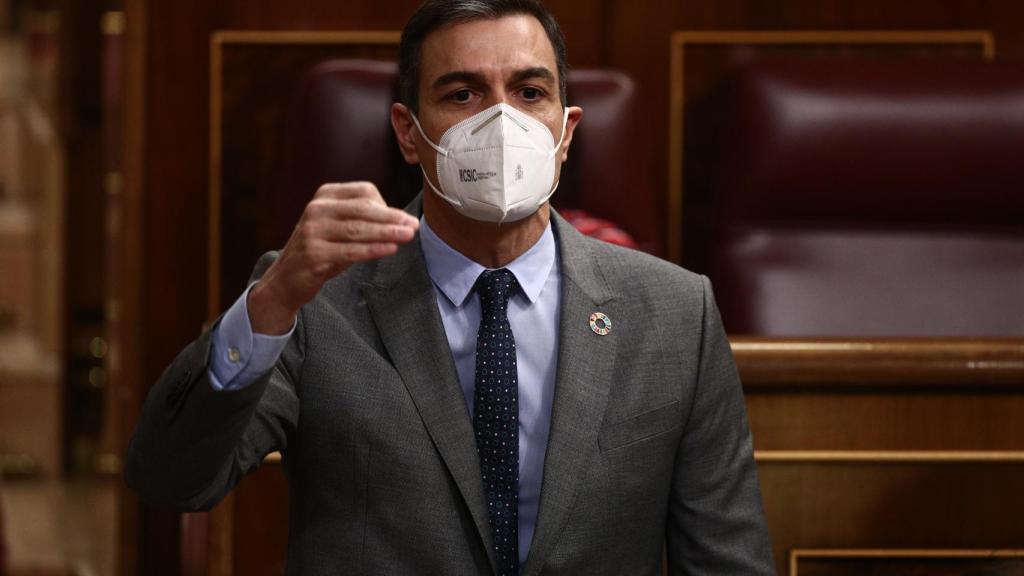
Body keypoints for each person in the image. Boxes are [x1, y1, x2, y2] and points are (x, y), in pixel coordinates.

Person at [125, 0, 773, 574]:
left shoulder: (675, 314)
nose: (501, 122)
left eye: (529, 92)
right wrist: (272, 301)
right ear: (409, 132)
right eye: (463, 95)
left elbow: (726, 559)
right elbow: (170, 478)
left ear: (566, 132)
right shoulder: (314, 298)